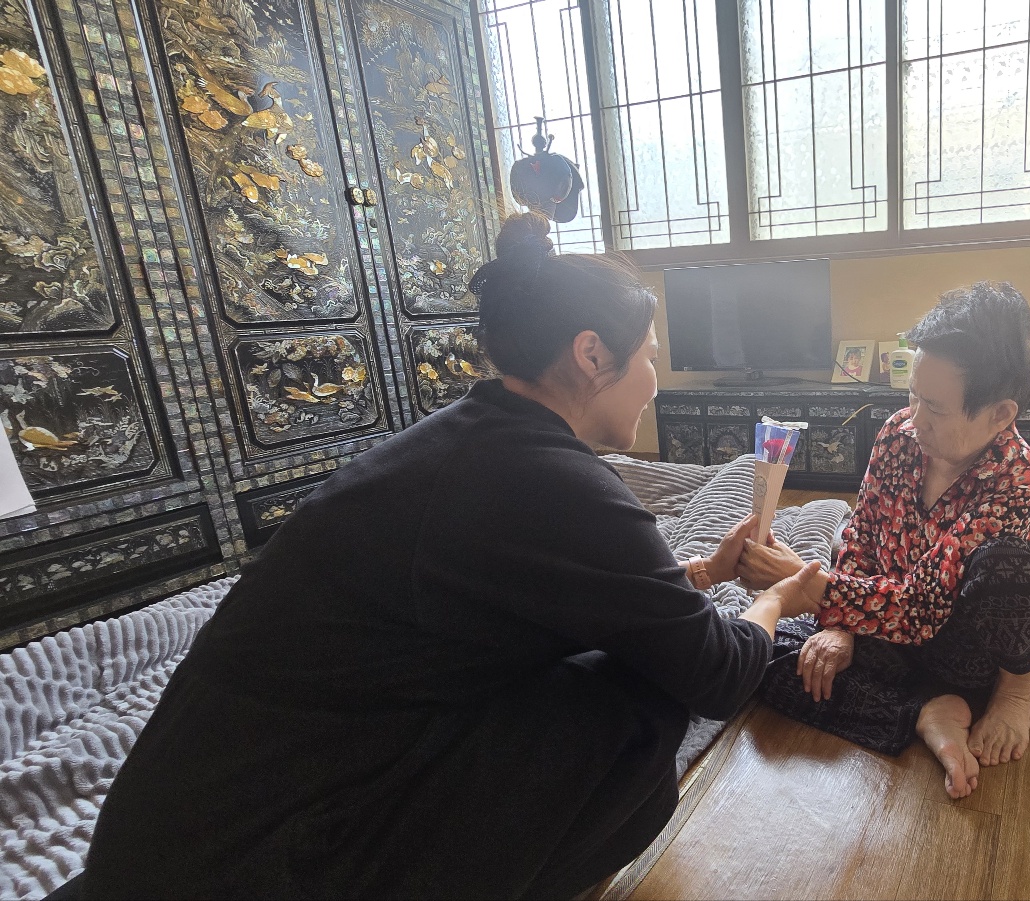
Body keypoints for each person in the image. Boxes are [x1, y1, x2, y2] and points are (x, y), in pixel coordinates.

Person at [70, 213, 823, 899]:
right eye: (650, 357)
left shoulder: (471, 438)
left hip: (167, 836)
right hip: (267, 859)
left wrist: (698, 576)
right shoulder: (553, 483)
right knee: (641, 703)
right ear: (592, 353)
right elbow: (717, 674)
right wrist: (775, 600)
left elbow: (525, 598)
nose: (656, 382)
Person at [738, 282, 1030, 800]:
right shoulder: (898, 435)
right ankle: (923, 712)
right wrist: (839, 627)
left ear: (1000, 414)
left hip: (976, 649)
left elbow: (923, 608)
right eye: (913, 395)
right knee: (765, 657)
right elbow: (861, 534)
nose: (915, 418)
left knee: (1013, 569)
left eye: (934, 407)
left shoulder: (1017, 477)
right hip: (892, 627)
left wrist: (807, 587)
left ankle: (1012, 695)